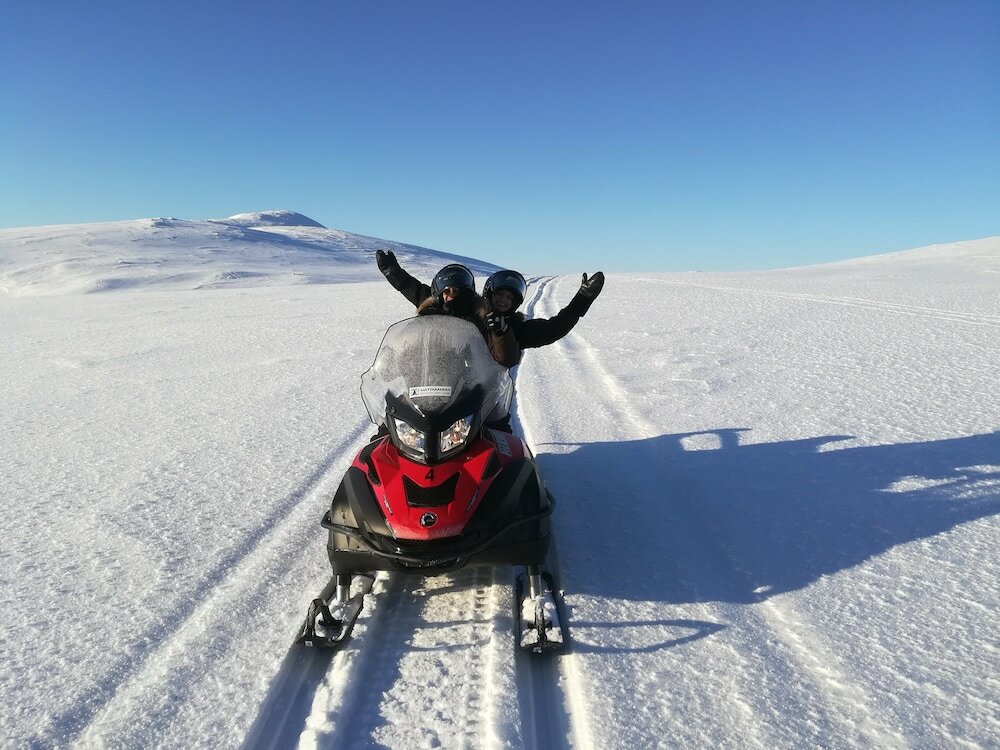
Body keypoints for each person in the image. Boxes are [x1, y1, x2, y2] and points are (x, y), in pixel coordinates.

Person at [375, 253, 520, 368]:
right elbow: (410, 286)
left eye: (455, 291)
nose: (450, 296)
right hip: (426, 378)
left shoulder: (480, 316)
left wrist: (500, 332)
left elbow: (505, 358)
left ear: (464, 293)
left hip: (468, 381)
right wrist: (392, 271)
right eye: (446, 291)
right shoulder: (432, 308)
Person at [480, 268, 604, 354]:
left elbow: (553, 328)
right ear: (490, 294)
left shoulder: (515, 329)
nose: (503, 300)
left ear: (515, 303)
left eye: (510, 297)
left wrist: (582, 300)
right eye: (500, 294)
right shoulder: (471, 314)